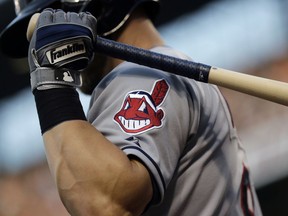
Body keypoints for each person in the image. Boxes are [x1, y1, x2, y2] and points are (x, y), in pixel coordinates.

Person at [0, 0, 263, 215]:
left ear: (96, 9)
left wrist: (51, 82)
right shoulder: (167, 68)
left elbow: (105, 206)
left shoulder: (143, 75)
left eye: (52, 18)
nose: (40, 41)